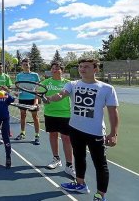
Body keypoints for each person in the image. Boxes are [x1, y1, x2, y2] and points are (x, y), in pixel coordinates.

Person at [46, 58, 119, 201]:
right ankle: (80, 184)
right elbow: (61, 95)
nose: (82, 69)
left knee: (100, 164)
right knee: (79, 158)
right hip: (75, 129)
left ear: (96, 69)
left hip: (96, 133)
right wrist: (50, 98)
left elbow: (113, 111)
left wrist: (113, 133)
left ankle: (100, 195)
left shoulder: (107, 89)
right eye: (80, 66)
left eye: (86, 66)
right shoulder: (72, 84)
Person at [40, 62, 75, 178]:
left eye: (57, 68)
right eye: (53, 68)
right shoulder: (45, 82)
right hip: (50, 114)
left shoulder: (68, 84)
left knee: (66, 139)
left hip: (65, 114)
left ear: (62, 71)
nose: (55, 70)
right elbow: (39, 95)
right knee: (53, 136)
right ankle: (56, 159)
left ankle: (69, 165)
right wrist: (42, 99)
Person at [14, 58, 41, 145]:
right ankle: (22, 133)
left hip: (32, 98)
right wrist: (16, 93)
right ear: (21, 66)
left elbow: (38, 89)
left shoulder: (35, 75)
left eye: (27, 64)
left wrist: (36, 101)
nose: (25, 65)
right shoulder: (19, 76)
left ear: (29, 65)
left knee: (35, 117)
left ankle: (37, 135)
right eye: (24, 64)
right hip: (22, 98)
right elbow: (17, 87)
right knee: (22, 116)